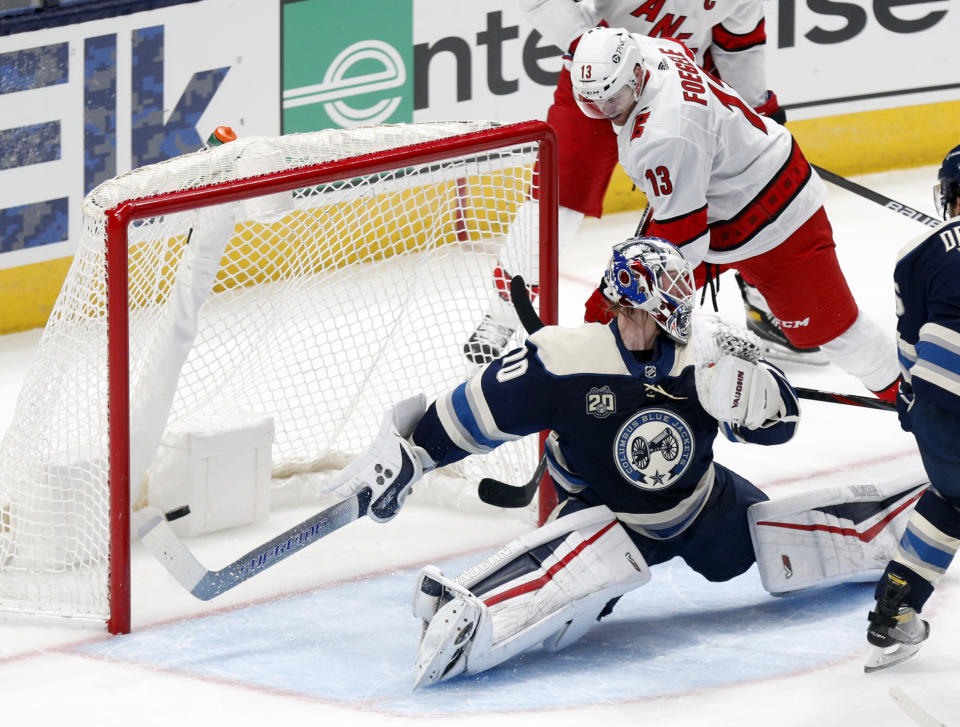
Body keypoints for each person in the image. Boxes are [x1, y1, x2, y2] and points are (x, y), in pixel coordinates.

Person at [323, 236, 919, 687]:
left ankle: (899, 519)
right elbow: (472, 413)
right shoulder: (563, 358)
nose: (643, 321)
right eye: (633, 309)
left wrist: (762, 401)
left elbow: (779, 425)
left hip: (701, 501)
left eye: (655, 311)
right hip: (603, 514)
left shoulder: (708, 353)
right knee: (584, 588)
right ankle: (481, 605)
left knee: (765, 550)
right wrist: (416, 452)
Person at [566, 26, 900, 402]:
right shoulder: (644, 47)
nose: (606, 111)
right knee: (629, 301)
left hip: (776, 220)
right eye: (594, 103)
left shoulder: (664, 134)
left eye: (613, 100)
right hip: (721, 201)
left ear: (638, 75)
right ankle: (610, 401)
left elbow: (683, 248)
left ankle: (918, 400)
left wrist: (623, 283)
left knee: (838, 334)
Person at [464, 0, 806, 365]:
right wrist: (587, 44)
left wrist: (754, 111)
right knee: (557, 199)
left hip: (682, 90)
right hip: (600, 85)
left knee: (736, 193)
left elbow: (739, 42)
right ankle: (501, 316)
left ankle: (758, 298)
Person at [864, 145, 960, 672]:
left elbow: (909, 349)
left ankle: (894, 610)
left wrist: (912, 400)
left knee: (950, 497)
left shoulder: (916, 251)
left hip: (938, 406)